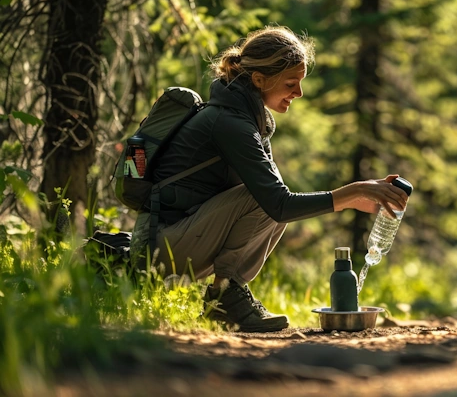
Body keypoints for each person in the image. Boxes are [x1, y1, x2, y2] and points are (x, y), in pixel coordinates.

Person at [130, 26, 408, 332]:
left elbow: (280, 203)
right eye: (291, 83)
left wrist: (352, 200)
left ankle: (225, 299)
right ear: (260, 80)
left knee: (270, 198)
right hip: (158, 248)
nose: (298, 93)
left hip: (182, 240)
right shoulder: (229, 123)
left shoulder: (251, 120)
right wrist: (355, 190)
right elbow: (278, 203)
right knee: (263, 198)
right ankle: (226, 299)